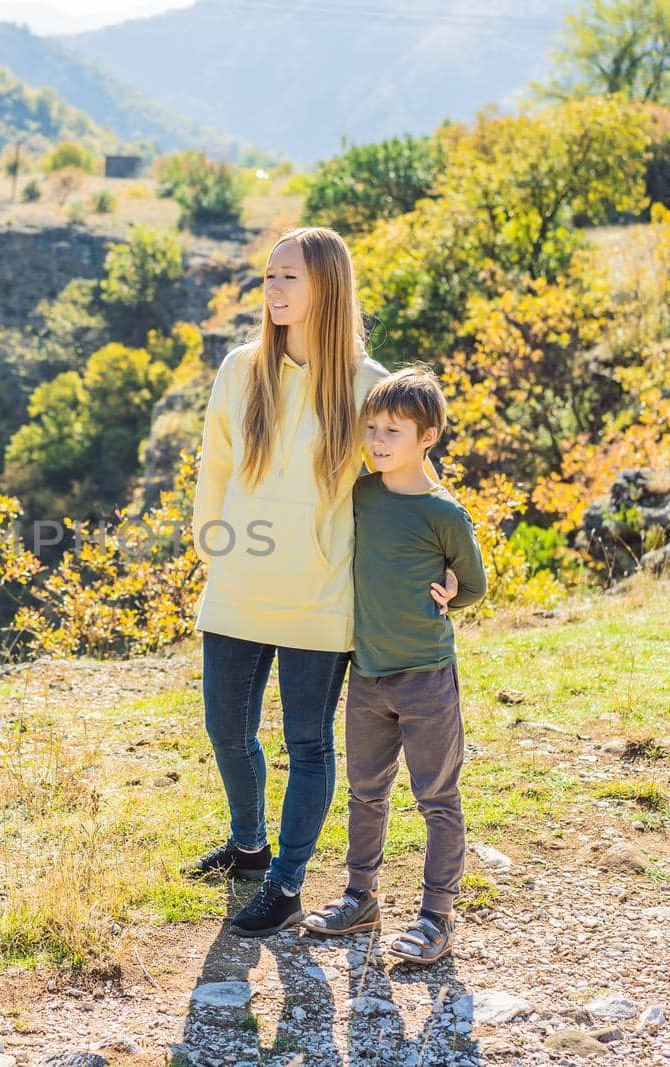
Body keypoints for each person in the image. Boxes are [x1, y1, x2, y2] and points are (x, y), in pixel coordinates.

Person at [182, 227, 455, 938]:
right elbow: (214, 462)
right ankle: (248, 846)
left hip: (321, 597)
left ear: (326, 288)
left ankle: (287, 882)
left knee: (307, 744)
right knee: (226, 727)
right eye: (268, 277)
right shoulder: (241, 369)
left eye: (289, 279)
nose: (273, 290)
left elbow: (408, 481)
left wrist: (445, 556)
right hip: (239, 586)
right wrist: (209, 539)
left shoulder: (369, 386)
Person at [301, 367, 487, 964]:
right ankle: (361, 896)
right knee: (365, 793)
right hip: (369, 676)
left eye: (394, 431)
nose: (378, 440)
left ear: (427, 436)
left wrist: (451, 592)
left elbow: (475, 585)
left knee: (437, 798)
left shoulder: (443, 514)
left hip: (427, 677)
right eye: (373, 428)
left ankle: (437, 916)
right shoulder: (361, 493)